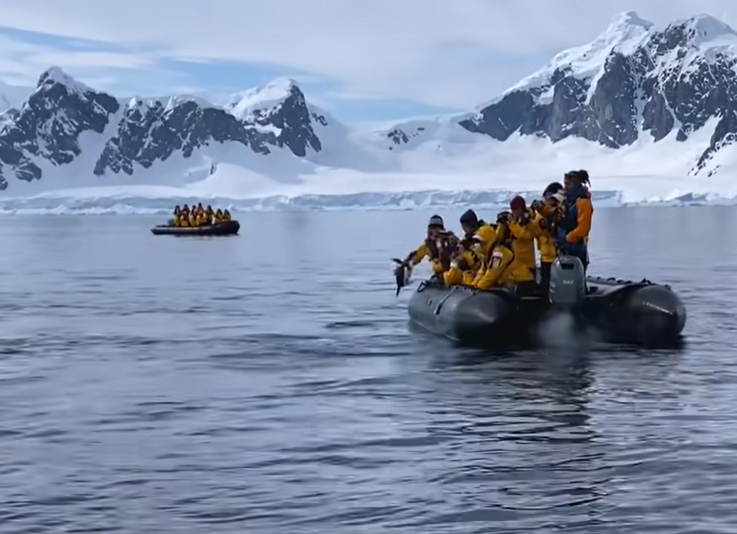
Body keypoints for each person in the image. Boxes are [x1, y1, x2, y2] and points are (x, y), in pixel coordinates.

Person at [474, 214, 535, 290]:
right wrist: (474, 285)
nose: (478, 245)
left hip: (521, 283)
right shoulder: (486, 255)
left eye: (480, 242)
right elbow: (482, 272)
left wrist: (478, 288)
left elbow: (491, 276)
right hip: (509, 282)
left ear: (487, 241)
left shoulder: (498, 254)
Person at [397, 215, 457, 280]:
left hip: (454, 272)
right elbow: (417, 256)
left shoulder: (450, 240)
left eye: (437, 228)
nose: (435, 231)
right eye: (432, 228)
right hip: (441, 275)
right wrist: (406, 264)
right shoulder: (428, 245)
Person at [557, 170, 593, 270]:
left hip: (576, 249)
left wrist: (566, 239)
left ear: (575, 184)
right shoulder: (568, 202)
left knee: (576, 278)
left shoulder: (583, 202)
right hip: (565, 248)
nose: (565, 187)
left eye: (568, 184)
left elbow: (583, 228)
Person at [531, 182, 563, 298]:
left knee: (553, 282)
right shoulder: (540, 213)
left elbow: (549, 231)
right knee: (546, 281)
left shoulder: (558, 211)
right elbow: (536, 231)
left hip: (556, 254)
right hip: (546, 254)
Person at [507, 196, 538, 271]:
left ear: (520, 209)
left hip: (527, 263)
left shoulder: (528, 221)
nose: (513, 212)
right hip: (516, 261)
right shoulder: (516, 220)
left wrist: (512, 224)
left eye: (515, 209)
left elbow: (524, 235)